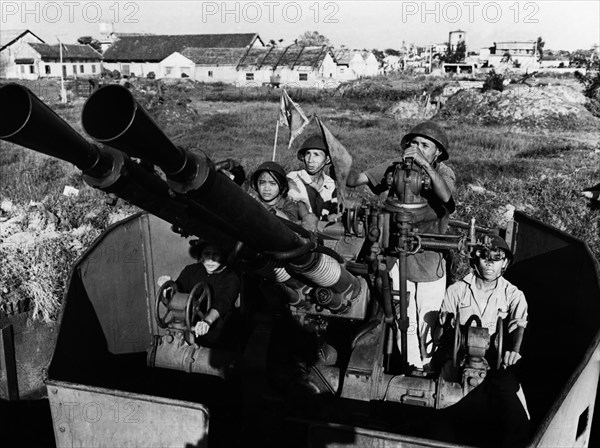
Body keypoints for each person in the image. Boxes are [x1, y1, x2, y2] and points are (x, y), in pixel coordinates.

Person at [346, 121, 456, 371]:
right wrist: (339, 162)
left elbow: (447, 197)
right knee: (401, 314)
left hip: (429, 258)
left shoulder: (444, 173)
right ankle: (410, 365)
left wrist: (426, 167)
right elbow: (356, 180)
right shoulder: (394, 167)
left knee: (428, 316)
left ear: (437, 152)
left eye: (425, 145)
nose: (416, 148)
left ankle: (427, 367)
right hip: (396, 255)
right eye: (413, 143)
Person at [433, 234, 529, 447]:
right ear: (475, 260)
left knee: (520, 419)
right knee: (439, 406)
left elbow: (518, 324)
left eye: (496, 259)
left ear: (505, 263)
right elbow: (441, 330)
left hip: (496, 366)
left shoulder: (513, 294)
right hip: (458, 362)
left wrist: (513, 350)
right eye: (484, 258)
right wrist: (444, 326)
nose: (489, 265)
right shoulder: (456, 290)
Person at [176, 240, 240, 347]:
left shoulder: (231, 277)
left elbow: (223, 302)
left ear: (224, 255)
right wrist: (167, 290)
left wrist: (207, 321)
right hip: (189, 329)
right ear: (201, 255)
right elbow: (176, 297)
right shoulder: (190, 271)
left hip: (219, 334)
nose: (211, 259)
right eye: (206, 254)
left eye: (216, 254)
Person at [287, 134, 338, 226]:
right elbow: (295, 203)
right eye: (308, 154)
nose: (310, 160)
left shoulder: (330, 183)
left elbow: (334, 210)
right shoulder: (294, 178)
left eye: (316, 155)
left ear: (327, 159)